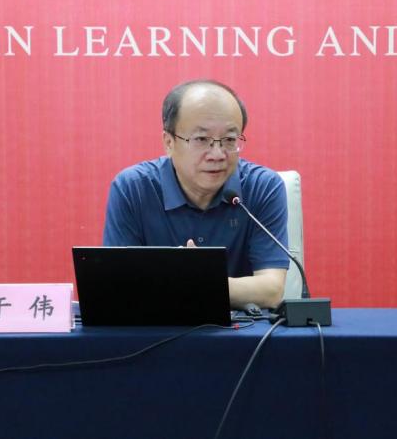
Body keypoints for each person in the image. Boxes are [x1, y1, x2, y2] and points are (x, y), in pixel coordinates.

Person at [103, 79, 289, 309]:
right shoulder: (133, 188)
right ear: (169, 142)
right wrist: (192, 282)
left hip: (242, 328)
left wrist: (196, 280)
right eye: (201, 139)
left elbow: (271, 291)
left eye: (229, 140)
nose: (217, 154)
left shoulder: (263, 186)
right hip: (156, 326)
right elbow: (118, 285)